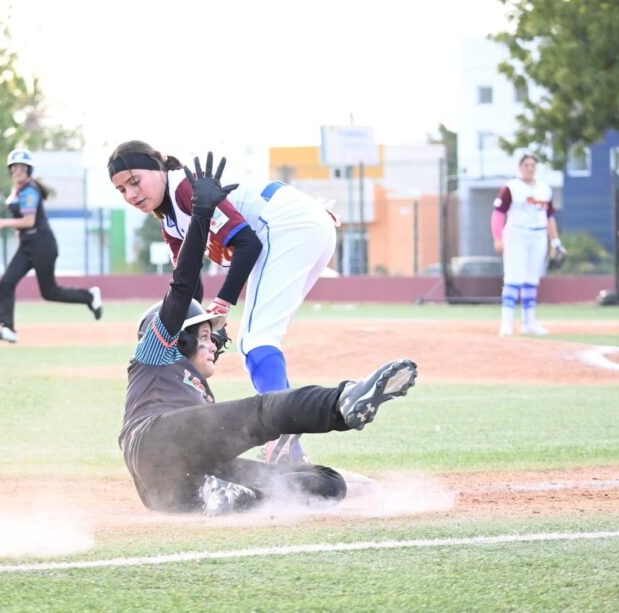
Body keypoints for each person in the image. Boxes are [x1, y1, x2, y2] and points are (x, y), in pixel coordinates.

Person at [121, 152, 418, 516]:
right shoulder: (152, 353)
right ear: (176, 338)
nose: (212, 343)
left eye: (134, 181)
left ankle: (232, 495)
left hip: (170, 485)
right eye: (201, 336)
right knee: (257, 360)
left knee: (321, 484)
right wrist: (201, 217)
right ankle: (339, 404)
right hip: (156, 444)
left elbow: (192, 287)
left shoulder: (196, 390)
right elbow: (184, 288)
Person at [109, 140, 339, 464]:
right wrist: (194, 331)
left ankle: (284, 436)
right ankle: (290, 449)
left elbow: (248, 244)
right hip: (307, 225)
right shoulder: (170, 219)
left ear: (160, 167)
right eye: (121, 190)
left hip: (288, 224)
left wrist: (224, 303)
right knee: (261, 337)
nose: (131, 194)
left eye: (135, 181)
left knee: (256, 340)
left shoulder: (184, 189)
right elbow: (188, 287)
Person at [0, 148, 103, 343]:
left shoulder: (30, 191)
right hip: (27, 245)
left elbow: (29, 221)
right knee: (7, 281)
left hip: (42, 245)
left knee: (49, 292)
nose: (18, 171)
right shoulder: (17, 190)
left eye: (22, 168)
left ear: (29, 171)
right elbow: (24, 224)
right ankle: (8, 328)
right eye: (14, 168)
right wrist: (19, 234)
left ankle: (90, 297)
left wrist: (4, 223)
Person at [491, 153, 567, 336]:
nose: (530, 168)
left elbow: (549, 217)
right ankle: (507, 323)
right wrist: (498, 237)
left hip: (538, 236)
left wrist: (555, 241)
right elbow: (498, 214)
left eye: (532, 165)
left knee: (532, 279)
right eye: (526, 164)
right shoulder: (511, 187)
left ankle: (529, 322)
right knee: (513, 279)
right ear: (520, 167)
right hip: (516, 235)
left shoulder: (544, 189)